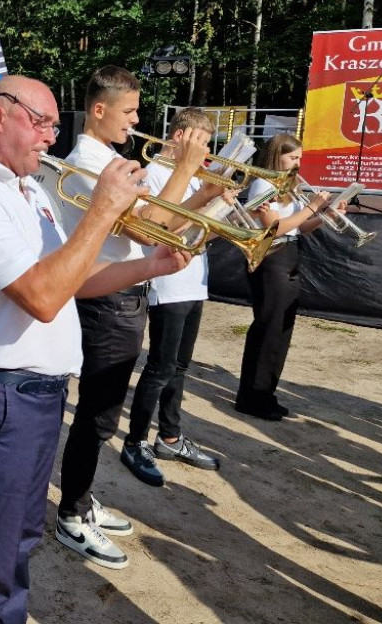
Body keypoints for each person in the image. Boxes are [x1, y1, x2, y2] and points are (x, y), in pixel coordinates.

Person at [0, 76, 187, 622]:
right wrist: (102, 211)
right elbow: (44, 297)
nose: (52, 136)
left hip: (35, 392)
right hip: (2, 393)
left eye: (55, 124)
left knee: (20, 535)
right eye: (41, 123)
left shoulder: (28, 190)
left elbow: (71, 275)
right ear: (0, 117)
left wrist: (149, 265)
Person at [54, 65, 208, 570]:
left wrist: (202, 195)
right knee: (97, 416)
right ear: (99, 110)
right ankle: (72, 515)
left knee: (102, 414)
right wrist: (185, 168)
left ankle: (79, 498)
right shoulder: (88, 163)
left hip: (124, 297)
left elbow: (160, 224)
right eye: (129, 111)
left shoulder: (111, 159)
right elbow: (148, 233)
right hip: (106, 300)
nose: (137, 121)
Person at [122, 108, 223, 487]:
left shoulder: (194, 176)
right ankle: (134, 441)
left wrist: (221, 206)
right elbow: (161, 228)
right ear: (180, 136)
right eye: (202, 142)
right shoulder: (160, 174)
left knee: (180, 367)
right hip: (169, 282)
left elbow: (201, 233)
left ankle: (170, 436)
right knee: (160, 368)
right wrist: (203, 201)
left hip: (195, 280)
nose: (208, 151)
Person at [235, 134, 331, 421]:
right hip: (271, 256)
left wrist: (325, 215)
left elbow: (299, 228)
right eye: (293, 158)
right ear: (277, 157)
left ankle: (266, 393)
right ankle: (251, 396)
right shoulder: (263, 185)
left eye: (299, 158)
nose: (297, 164)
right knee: (267, 327)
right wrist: (312, 206)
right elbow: (274, 229)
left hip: (289, 254)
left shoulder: (288, 187)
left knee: (282, 329)